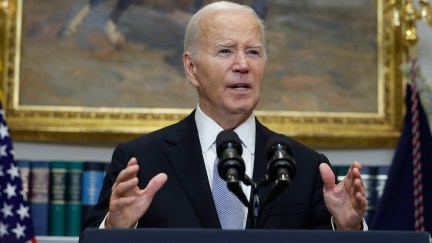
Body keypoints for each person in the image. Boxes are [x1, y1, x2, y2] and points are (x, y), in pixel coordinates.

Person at [81, 1, 367, 233]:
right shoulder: (140, 161)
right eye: (226, 51)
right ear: (191, 68)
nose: (242, 65)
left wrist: (347, 227)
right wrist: (117, 227)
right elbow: (91, 239)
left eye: (253, 52)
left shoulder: (305, 166)